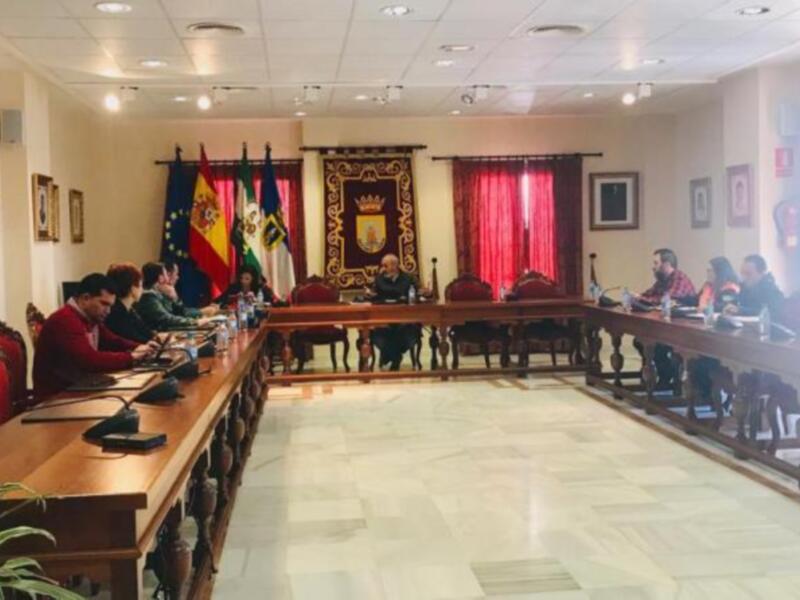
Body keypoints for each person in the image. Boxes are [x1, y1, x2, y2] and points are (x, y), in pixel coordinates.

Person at [33, 273, 156, 401]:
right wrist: (130, 357)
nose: (108, 311)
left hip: (78, 390)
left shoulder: (89, 318)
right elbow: (89, 360)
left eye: (110, 306)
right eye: (104, 304)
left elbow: (112, 341)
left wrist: (140, 348)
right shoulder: (65, 320)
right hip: (56, 399)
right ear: (85, 298)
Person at [635, 249, 696, 390]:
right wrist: (638, 297)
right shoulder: (662, 280)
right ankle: (663, 375)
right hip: (666, 325)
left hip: (682, 330)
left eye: (656, 263)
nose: (653, 266)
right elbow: (648, 294)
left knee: (656, 345)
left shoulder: (679, 278)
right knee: (640, 341)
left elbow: (667, 299)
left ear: (666, 264)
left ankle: (668, 376)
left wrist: (643, 299)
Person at [366, 254, 427, 370]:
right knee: (378, 333)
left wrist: (425, 293)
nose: (383, 268)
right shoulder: (379, 278)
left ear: (394, 265)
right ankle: (396, 357)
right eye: (383, 265)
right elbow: (372, 295)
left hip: (405, 318)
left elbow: (419, 293)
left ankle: (389, 356)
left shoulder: (409, 278)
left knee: (407, 332)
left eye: (385, 265)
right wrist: (370, 294)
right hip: (383, 318)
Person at [136, 262, 211, 330]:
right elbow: (166, 318)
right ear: (160, 278)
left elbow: (178, 311)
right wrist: (195, 322)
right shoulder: (148, 296)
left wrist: (174, 298)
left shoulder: (156, 294)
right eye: (165, 274)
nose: (167, 278)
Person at [105, 262, 156, 344]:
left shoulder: (129, 310)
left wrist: (157, 338)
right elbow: (135, 339)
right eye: (140, 285)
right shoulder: (115, 313)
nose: (142, 290)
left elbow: (147, 332)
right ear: (132, 288)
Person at [727, 254, 784, 319]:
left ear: (762, 273)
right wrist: (729, 307)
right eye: (742, 273)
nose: (744, 277)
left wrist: (741, 311)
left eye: (748, 274)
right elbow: (734, 300)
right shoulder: (744, 287)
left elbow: (770, 314)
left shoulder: (773, 292)